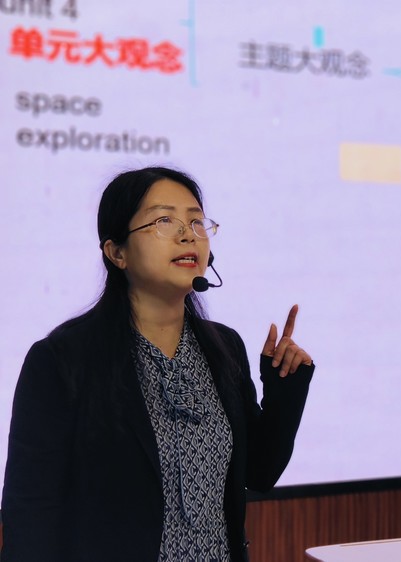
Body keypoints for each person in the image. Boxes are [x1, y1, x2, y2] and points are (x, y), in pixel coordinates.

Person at [1, 166, 314, 561]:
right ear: (117, 252)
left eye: (196, 222)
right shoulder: (61, 360)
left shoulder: (225, 347)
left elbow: (260, 473)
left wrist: (285, 386)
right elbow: (30, 513)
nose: (188, 234)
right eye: (164, 220)